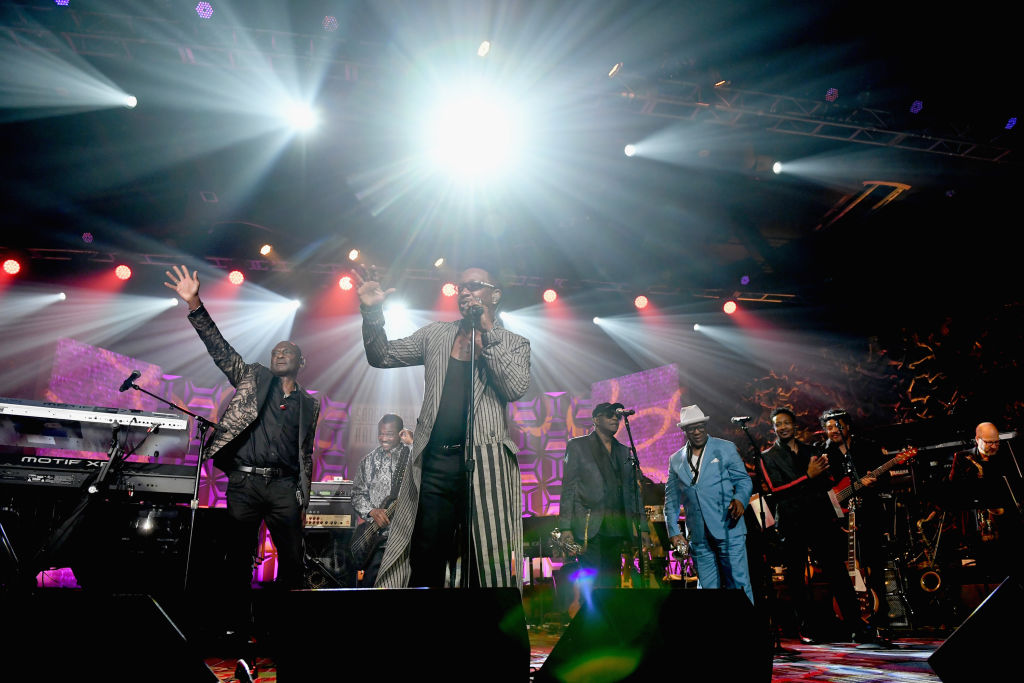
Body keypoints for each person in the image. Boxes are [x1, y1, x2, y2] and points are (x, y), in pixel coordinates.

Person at [164, 265, 321, 639]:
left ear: (301, 362)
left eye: (288, 351)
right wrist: (195, 304)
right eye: (276, 350)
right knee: (237, 559)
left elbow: (305, 453)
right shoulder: (253, 377)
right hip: (245, 483)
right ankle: (235, 625)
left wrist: (304, 498)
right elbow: (220, 349)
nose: (279, 353)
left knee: (293, 560)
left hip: (284, 488)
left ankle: (284, 627)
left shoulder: (309, 405)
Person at [356, 265, 531, 588]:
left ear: (495, 295)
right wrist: (371, 311)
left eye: (474, 286)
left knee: (485, 560)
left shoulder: (514, 342)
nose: (464, 292)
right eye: (460, 287)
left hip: (486, 463)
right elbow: (382, 355)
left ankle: (485, 633)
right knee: (425, 557)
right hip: (435, 462)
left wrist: (488, 331)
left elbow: (515, 387)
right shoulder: (436, 334)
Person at [759, 407, 881, 645]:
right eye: (778, 424)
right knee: (796, 578)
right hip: (791, 521)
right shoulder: (768, 456)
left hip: (819, 517)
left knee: (837, 571)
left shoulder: (811, 451)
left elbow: (825, 484)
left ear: (795, 426)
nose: (782, 427)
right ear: (774, 429)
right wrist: (807, 476)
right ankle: (807, 627)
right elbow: (776, 490)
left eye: (786, 423)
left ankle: (856, 625)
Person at [665, 405, 755, 603]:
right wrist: (673, 531)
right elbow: (671, 500)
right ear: (684, 431)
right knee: (707, 588)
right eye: (691, 428)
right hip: (698, 534)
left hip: (728, 527)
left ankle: (746, 631)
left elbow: (743, 480)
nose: (697, 432)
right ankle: (713, 632)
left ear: (705, 426)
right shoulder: (675, 460)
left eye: (700, 427)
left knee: (738, 584)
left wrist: (740, 499)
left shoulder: (725, 448)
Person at [557, 402, 648, 588]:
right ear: (596, 419)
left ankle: (610, 617)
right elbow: (568, 488)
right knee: (593, 583)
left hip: (616, 525)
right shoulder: (577, 446)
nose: (615, 418)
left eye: (618, 416)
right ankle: (592, 617)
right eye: (609, 414)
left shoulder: (624, 451)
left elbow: (633, 492)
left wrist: (643, 527)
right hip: (589, 526)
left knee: (612, 581)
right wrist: (565, 527)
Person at [819, 408, 891, 633]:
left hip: (868, 515)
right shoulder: (822, 454)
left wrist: (872, 483)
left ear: (848, 426)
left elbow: (885, 478)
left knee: (875, 567)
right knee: (843, 570)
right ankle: (850, 621)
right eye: (829, 427)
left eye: (837, 425)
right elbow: (818, 489)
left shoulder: (867, 448)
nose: (833, 431)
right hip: (838, 522)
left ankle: (880, 617)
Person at [947, 421, 1022, 579]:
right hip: (976, 524)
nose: (994, 446)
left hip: (1004, 521)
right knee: (985, 570)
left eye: (996, 442)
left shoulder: (1006, 455)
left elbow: (1016, 485)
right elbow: (954, 489)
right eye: (989, 442)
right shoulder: (963, 458)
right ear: (977, 439)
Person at [350, 414, 411, 587]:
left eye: (389, 434)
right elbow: (356, 495)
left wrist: (412, 443)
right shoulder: (368, 461)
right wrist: (372, 511)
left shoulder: (411, 458)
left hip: (404, 537)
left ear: (400, 434)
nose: (383, 438)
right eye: (381, 434)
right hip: (375, 539)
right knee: (371, 584)